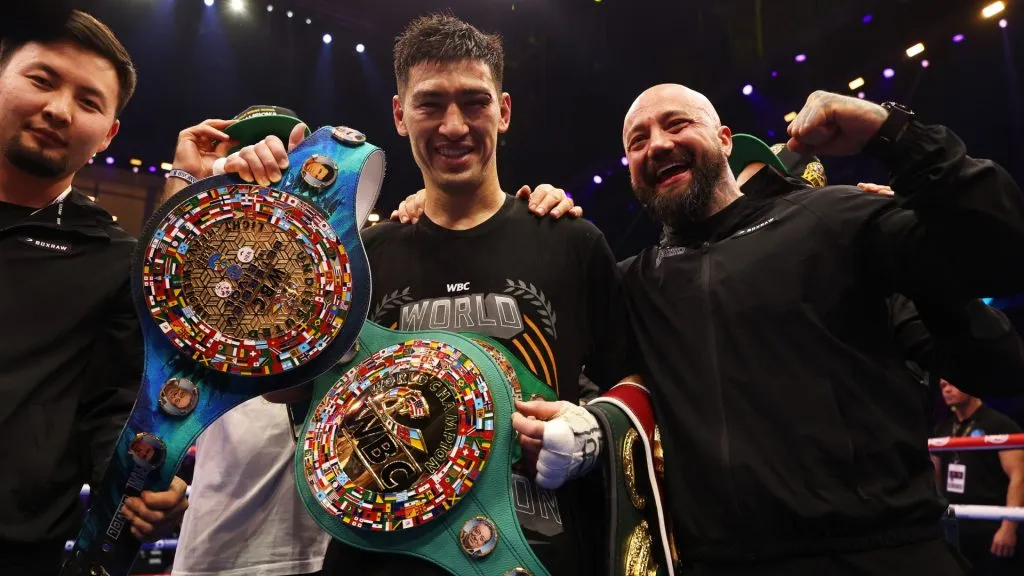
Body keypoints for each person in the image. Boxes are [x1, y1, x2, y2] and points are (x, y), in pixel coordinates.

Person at [510, 84, 1024, 575]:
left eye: (676, 124)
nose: (658, 144)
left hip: (881, 555)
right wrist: (456, 217)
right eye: (637, 140)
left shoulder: (834, 216)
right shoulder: (634, 284)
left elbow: (999, 250)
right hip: (721, 564)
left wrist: (891, 132)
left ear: (724, 140)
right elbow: (540, 337)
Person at [224, 14, 640, 575]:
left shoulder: (572, 241)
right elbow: (287, 390)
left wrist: (587, 435)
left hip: (530, 550)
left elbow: (633, 383)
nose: (453, 125)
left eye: (474, 102)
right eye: (429, 104)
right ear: (399, 115)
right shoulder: (360, 255)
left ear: (504, 111)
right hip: (378, 555)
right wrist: (260, 228)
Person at [0, 10, 188, 575]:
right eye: (42, 79)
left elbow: (113, 407)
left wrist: (147, 482)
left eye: (88, 101)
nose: (59, 110)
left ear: (108, 133)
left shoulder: (113, 258)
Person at [163, 108, 332, 576]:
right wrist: (186, 175)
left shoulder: (340, 270)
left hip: (321, 552)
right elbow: (158, 274)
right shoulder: (202, 287)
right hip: (215, 552)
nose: (264, 168)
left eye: (282, 157)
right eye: (247, 158)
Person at [933, 380, 1024, 575]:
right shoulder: (943, 429)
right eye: (942, 386)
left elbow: (1020, 476)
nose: (947, 390)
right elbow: (934, 478)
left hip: (991, 524)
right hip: (953, 523)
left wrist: (1008, 528)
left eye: (953, 384)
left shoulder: (1000, 424)